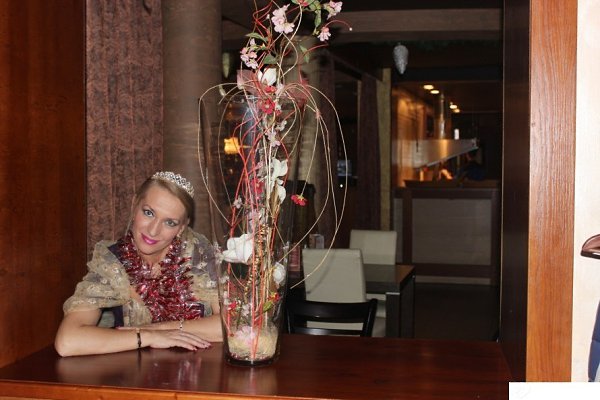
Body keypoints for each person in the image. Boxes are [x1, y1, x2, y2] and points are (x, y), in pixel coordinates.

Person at [55, 171, 223, 356]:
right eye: (149, 213)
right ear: (134, 204)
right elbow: (67, 342)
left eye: (170, 222)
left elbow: (231, 325)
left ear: (182, 228)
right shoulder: (112, 262)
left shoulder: (198, 253)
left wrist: (161, 329)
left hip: (199, 366)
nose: (153, 231)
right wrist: (150, 337)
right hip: (135, 370)